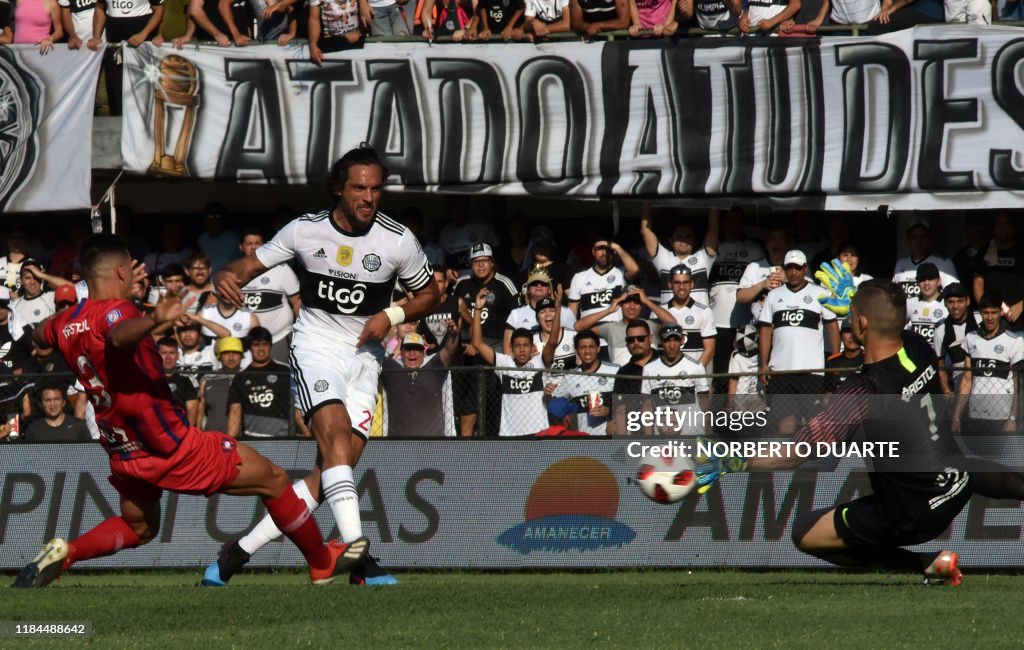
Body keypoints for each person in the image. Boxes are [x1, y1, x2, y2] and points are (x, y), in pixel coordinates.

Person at [12, 234, 366, 589]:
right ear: (121, 270)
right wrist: (153, 320)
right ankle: (322, 563)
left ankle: (67, 552)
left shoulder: (65, 321)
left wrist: (54, 337)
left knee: (140, 528)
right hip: (170, 445)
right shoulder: (120, 314)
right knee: (273, 480)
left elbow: (40, 337)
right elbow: (119, 335)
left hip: (124, 451)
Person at [210, 144, 440, 587]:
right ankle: (360, 558)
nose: (368, 197)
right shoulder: (304, 230)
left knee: (333, 470)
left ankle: (236, 553)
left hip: (366, 356)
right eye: (359, 187)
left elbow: (430, 294)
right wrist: (227, 274)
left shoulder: (398, 239)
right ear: (339, 188)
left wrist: (390, 316)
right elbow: (248, 264)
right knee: (334, 437)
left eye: (375, 189)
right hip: (316, 345)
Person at [697, 277, 970, 585]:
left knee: (805, 533)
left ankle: (924, 562)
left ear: (862, 323)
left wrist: (734, 460)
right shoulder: (916, 346)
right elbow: (893, 322)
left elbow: (798, 452)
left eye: (851, 316)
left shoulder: (862, 389)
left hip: (911, 511)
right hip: (956, 486)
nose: (847, 322)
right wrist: (861, 301)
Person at [758, 250, 840, 435]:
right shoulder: (774, 295)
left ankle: (817, 463)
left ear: (805, 269)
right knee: (784, 421)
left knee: (813, 420)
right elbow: (765, 329)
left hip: (811, 370)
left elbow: (832, 327)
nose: (793, 272)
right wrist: (763, 363)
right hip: (780, 370)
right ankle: (788, 463)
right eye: (789, 268)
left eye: (797, 268)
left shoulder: (820, 293)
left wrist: (835, 359)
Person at [471, 287, 556, 437]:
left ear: (532, 348)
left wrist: (559, 307)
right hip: (509, 434)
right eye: (517, 346)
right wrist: (478, 308)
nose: (522, 350)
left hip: (538, 432)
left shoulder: (539, 363)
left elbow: (553, 342)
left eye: (525, 346)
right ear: (511, 348)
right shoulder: (505, 363)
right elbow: (477, 343)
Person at [953, 292, 1024, 441]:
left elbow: (1018, 385)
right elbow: (967, 379)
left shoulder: (1015, 342)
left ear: (1000, 312)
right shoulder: (971, 339)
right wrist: (957, 414)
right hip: (976, 414)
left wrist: (1012, 418)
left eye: (994, 312)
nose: (990, 317)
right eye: (985, 313)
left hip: (1002, 416)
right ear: (980, 313)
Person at [380, 325, 459, 437]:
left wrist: (453, 335)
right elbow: (374, 353)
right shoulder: (392, 369)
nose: (412, 353)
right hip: (397, 446)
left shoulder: (434, 367)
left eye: (417, 349)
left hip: (433, 445)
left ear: (423, 352)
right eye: (408, 349)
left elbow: (449, 351)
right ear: (401, 352)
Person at [237, 228, 301, 363]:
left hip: (279, 338)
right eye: (249, 243)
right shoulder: (234, 271)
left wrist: (296, 332)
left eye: (257, 243)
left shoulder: (281, 269)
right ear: (241, 247)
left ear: (265, 245)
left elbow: (297, 303)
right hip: (244, 340)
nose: (253, 247)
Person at [639, 203, 718, 307]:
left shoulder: (703, 257)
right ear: (671, 241)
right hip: (669, 318)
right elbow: (646, 231)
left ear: (694, 240)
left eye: (687, 236)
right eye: (679, 236)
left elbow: (713, 231)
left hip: (699, 318)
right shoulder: (663, 257)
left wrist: (713, 204)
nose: (683, 239)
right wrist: (646, 203)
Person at [574, 286, 673, 366]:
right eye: (627, 302)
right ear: (620, 304)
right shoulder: (610, 328)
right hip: (622, 381)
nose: (632, 306)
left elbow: (673, 323)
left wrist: (647, 301)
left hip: (649, 380)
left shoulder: (652, 325)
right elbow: (578, 327)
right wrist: (609, 310)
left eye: (637, 302)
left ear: (642, 305)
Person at [641, 324, 710, 436]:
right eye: (667, 340)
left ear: (682, 340)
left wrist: (706, 430)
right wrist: (648, 437)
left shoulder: (695, 367)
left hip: (691, 433)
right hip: (662, 434)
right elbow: (647, 405)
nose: (672, 345)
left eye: (676, 340)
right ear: (661, 342)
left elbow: (705, 403)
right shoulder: (649, 369)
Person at [227, 327, 291, 439]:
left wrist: (307, 435)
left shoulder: (285, 372)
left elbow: (297, 408)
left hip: (282, 440)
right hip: (251, 439)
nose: (261, 348)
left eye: (265, 344)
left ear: (270, 346)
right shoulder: (241, 377)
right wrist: (230, 440)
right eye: (256, 344)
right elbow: (235, 412)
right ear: (250, 348)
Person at [550, 330, 618, 435]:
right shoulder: (571, 377)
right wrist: (564, 414)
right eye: (583, 347)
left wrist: (609, 411)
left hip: (609, 436)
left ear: (598, 348)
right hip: (582, 438)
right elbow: (556, 403)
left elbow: (629, 402)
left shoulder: (614, 371)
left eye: (591, 347)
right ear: (577, 350)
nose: (587, 351)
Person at [567, 239, 640, 323]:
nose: (604, 253)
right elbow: (572, 311)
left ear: (614, 252)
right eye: (600, 249)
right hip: (589, 330)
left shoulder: (620, 273)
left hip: (614, 329)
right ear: (593, 252)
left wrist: (617, 247)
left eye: (608, 249)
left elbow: (634, 270)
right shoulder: (579, 277)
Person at [892, 217, 958, 300]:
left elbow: (954, 294)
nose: (918, 241)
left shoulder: (943, 263)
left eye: (923, 236)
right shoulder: (901, 264)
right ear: (908, 239)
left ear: (930, 238)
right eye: (914, 237)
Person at [663, 265, 716, 368]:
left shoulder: (704, 311)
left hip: (693, 376)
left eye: (685, 283)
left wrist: (694, 373)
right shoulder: (659, 310)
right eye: (677, 283)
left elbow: (710, 350)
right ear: (670, 285)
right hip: (667, 374)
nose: (681, 287)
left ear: (691, 284)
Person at [933, 282, 979, 397]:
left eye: (960, 301)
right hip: (958, 386)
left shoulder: (980, 321)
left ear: (967, 301)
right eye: (951, 302)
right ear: (945, 304)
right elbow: (940, 365)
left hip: (983, 382)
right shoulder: (941, 331)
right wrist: (946, 389)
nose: (955, 306)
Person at [198, 336, 244, 432]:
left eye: (235, 353)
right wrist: (198, 430)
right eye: (226, 353)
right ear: (220, 357)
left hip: (242, 439)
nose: (231, 358)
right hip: (211, 438)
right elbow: (200, 407)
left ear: (241, 356)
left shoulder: (248, 378)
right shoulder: (208, 378)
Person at [23, 386, 91, 443]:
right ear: (41, 405)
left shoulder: (79, 426)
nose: (52, 404)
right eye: (48, 400)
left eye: (56, 399)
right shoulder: (33, 430)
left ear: (63, 402)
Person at [157, 336, 199, 425]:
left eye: (172, 353)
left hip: (179, 427)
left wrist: (188, 433)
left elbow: (192, 408)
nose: (168, 357)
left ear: (178, 356)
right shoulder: (150, 378)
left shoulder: (185, 380)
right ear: (156, 355)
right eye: (164, 353)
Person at [904, 262, 945, 346]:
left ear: (939, 281)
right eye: (922, 279)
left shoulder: (947, 303)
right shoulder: (910, 303)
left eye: (930, 279)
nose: (926, 283)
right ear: (917, 283)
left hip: (939, 357)